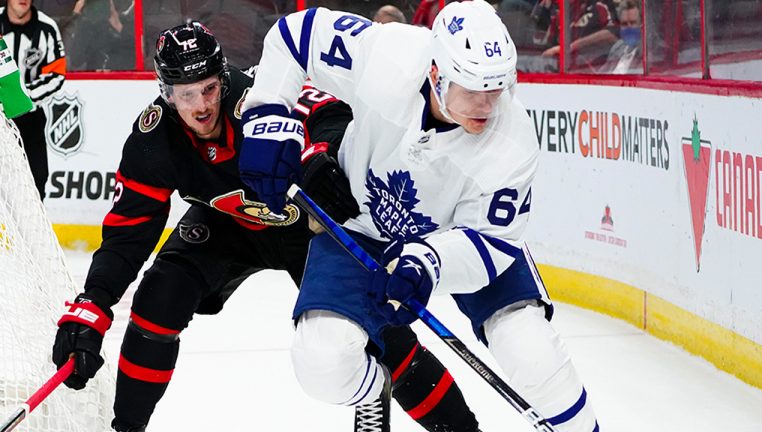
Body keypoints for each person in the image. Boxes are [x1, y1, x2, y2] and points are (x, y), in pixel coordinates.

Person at [50, 20, 480, 432]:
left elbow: (329, 111)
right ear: (165, 93)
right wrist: (94, 302)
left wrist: (318, 153)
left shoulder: (257, 92)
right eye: (185, 95)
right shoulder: (152, 141)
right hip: (227, 226)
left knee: (384, 329)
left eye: (209, 88)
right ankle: (126, 428)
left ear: (223, 77)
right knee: (157, 298)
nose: (201, 106)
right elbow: (129, 233)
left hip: (305, 229)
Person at [238, 1, 599, 431]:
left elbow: (494, 242)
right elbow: (295, 35)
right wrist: (268, 113)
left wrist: (428, 261)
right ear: (435, 73)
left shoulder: (512, 144)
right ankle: (374, 389)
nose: (486, 105)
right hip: (362, 223)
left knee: (531, 351)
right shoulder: (388, 55)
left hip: (462, 239)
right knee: (321, 364)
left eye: (496, 88)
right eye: (471, 89)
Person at [0, 0, 66, 200]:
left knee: (36, 181)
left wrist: (23, 97)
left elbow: (57, 74)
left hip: (30, 119)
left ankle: (31, 231)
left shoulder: (46, 27)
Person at [599, 0, 642, 74]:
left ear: (641, 24)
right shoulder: (617, 47)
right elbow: (601, 75)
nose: (629, 28)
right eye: (624, 24)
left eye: (633, 23)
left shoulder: (649, 53)